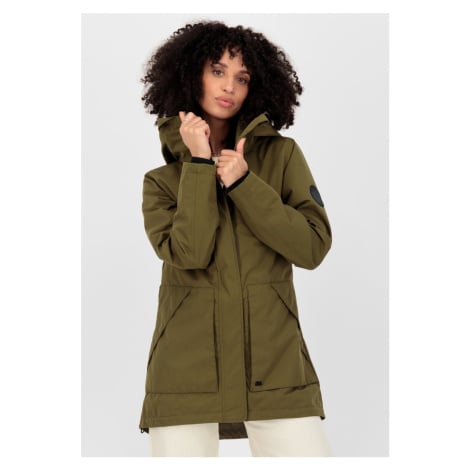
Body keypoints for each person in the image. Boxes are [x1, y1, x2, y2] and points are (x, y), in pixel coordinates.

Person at [138, 20, 333, 457]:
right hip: (183, 373)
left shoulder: (282, 157)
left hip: (276, 367)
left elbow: (312, 247)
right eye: (217, 70)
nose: (229, 86)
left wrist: (245, 184)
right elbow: (190, 253)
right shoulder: (162, 182)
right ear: (191, 76)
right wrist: (199, 165)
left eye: (242, 77)